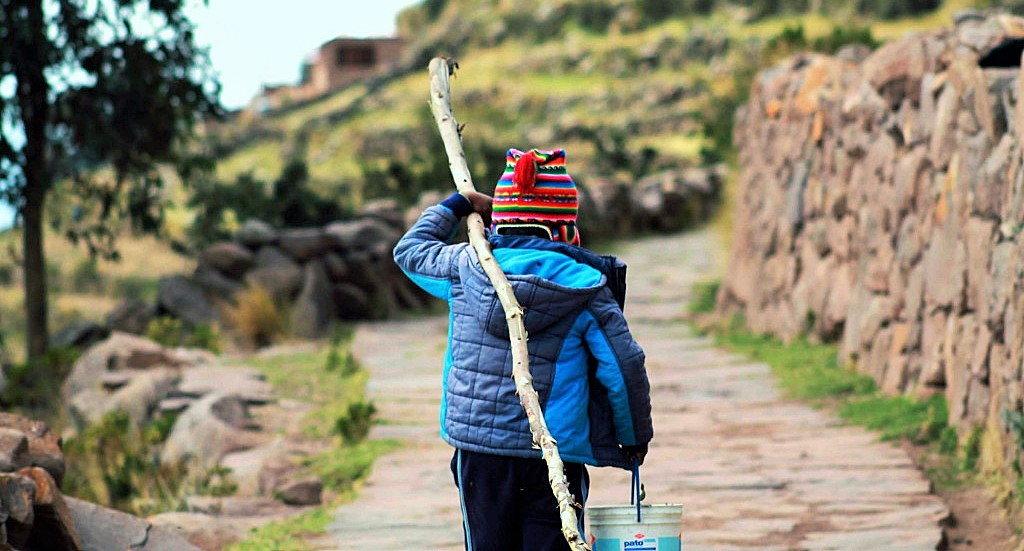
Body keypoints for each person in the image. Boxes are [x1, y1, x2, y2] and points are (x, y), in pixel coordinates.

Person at [393, 147, 653, 551]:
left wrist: (457, 204)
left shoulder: (465, 267)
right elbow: (624, 367)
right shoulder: (587, 288)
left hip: (481, 453)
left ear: (499, 219)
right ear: (566, 229)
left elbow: (409, 251)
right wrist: (634, 437)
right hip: (553, 453)